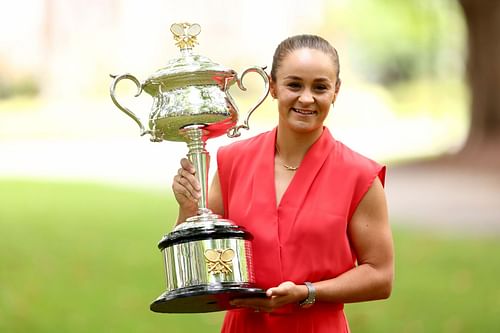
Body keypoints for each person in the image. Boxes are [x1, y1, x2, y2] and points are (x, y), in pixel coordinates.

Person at [172, 34, 394, 333]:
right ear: (273, 86)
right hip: (245, 326)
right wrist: (189, 208)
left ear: (336, 91)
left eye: (320, 87)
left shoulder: (359, 175)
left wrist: (307, 293)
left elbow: (380, 276)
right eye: (294, 85)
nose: (306, 98)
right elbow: (205, 256)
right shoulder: (233, 161)